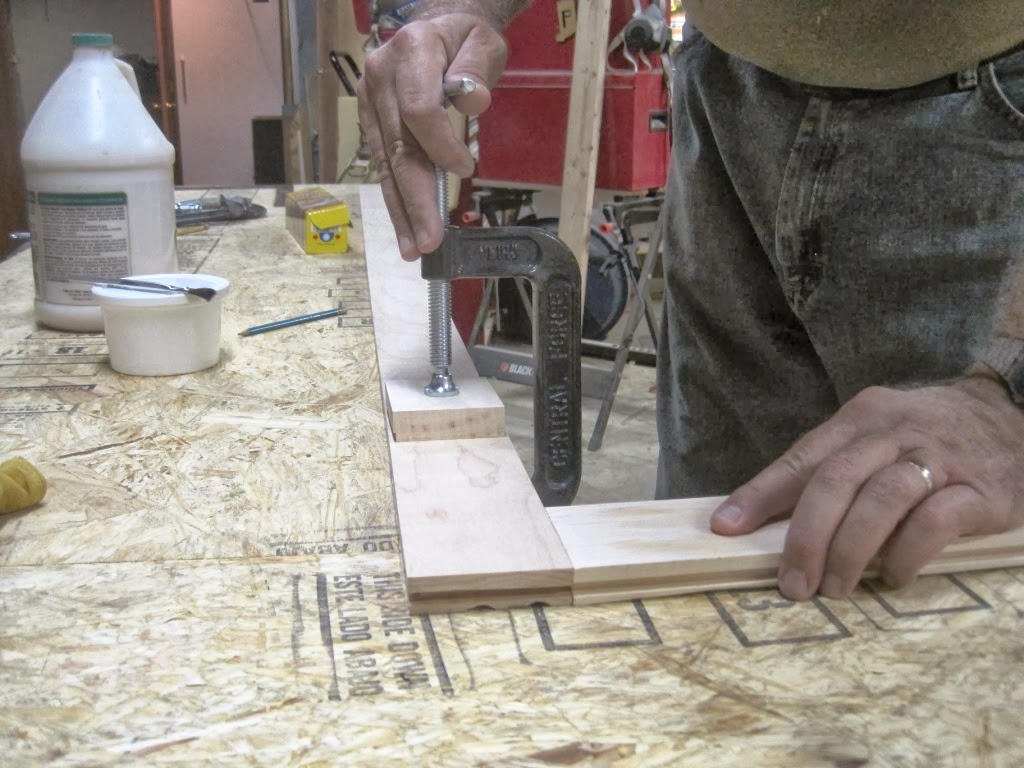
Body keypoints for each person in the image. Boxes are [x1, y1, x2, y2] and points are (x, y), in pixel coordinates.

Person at [357, 1, 1024, 601]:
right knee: (712, 552)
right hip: (724, 88)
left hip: (989, 111)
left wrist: (1011, 396)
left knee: (930, 572)